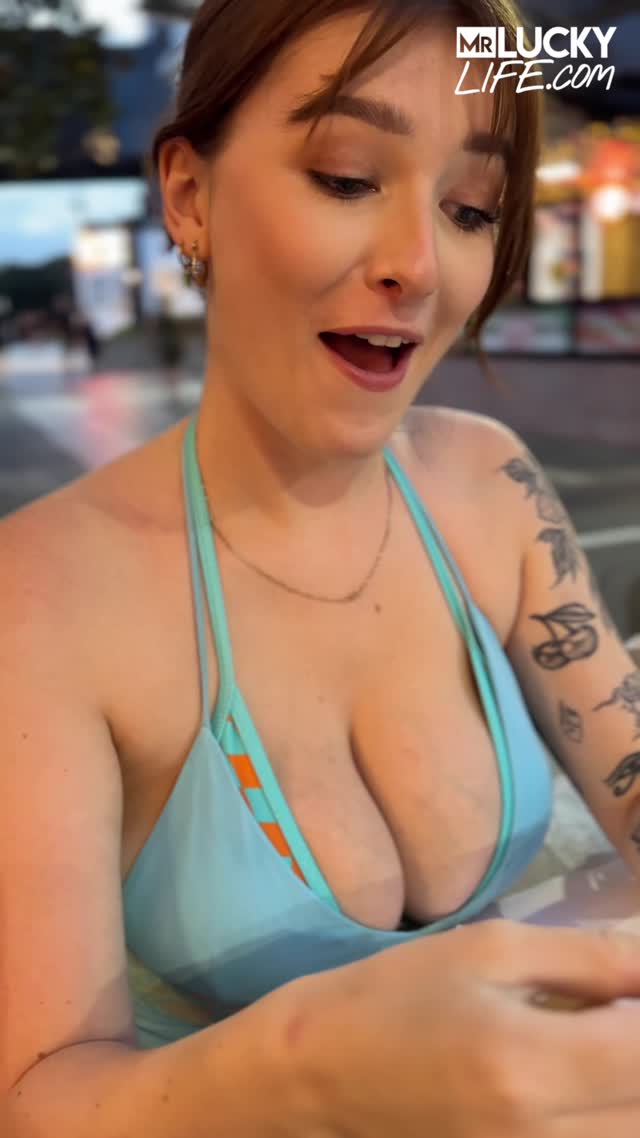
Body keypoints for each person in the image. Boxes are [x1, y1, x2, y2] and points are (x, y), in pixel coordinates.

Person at [3, 0, 640, 1134]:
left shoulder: (489, 482)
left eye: (469, 209)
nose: (418, 265)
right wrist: (307, 1068)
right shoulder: (41, 596)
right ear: (189, 195)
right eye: (347, 179)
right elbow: (36, 1095)